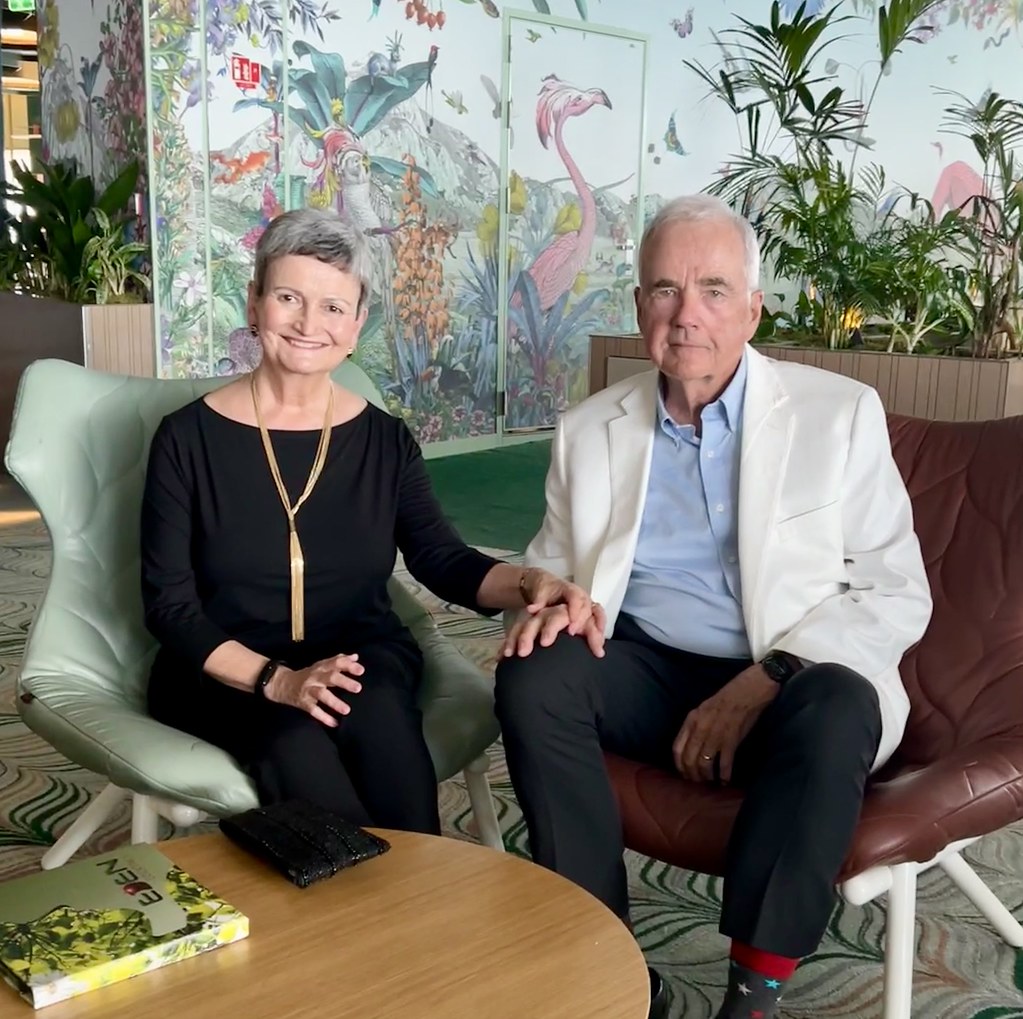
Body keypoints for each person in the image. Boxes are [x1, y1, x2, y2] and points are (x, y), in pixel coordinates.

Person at [494, 194, 933, 1019]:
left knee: (840, 701)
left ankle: (752, 992)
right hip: (649, 668)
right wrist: (548, 600)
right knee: (534, 673)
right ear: (639, 306)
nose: (685, 313)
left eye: (713, 290)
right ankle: (610, 959)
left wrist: (764, 678)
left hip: (790, 678)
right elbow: (554, 562)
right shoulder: (588, 428)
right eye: (664, 289)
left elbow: (893, 587)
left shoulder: (836, 415)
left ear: (753, 308)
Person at [141, 207, 600, 836]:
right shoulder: (186, 439)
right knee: (295, 750)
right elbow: (169, 608)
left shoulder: (384, 440)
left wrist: (530, 583)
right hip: (225, 670)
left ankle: (419, 892)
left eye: (333, 307)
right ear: (254, 304)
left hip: (359, 653)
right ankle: (365, 897)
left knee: (386, 737)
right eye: (288, 298)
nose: (309, 324)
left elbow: (441, 558)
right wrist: (277, 680)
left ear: (357, 325)